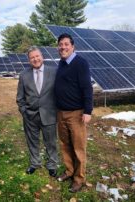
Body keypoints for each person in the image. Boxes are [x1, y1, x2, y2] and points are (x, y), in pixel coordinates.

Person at [54, 33, 93, 193]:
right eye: (60, 44)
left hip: (76, 114)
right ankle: (69, 171)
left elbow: (87, 88)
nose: (63, 47)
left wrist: (88, 111)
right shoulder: (61, 64)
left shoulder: (80, 63)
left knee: (78, 148)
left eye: (66, 44)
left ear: (72, 46)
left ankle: (79, 179)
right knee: (65, 145)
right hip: (61, 113)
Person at [16, 46, 58, 177]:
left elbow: (60, 93)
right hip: (30, 116)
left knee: (50, 142)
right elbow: (20, 97)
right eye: (32, 57)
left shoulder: (54, 72)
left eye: (37, 56)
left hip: (49, 114)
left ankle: (52, 164)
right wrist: (24, 112)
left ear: (42, 57)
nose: (35, 59)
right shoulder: (24, 75)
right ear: (29, 60)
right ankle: (35, 163)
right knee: (32, 142)